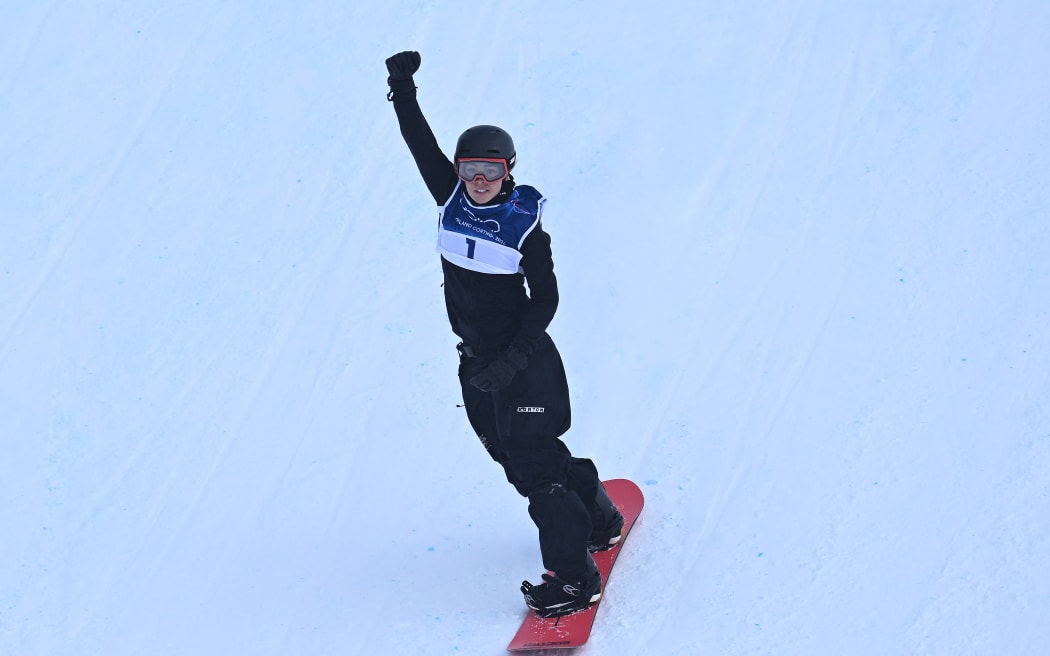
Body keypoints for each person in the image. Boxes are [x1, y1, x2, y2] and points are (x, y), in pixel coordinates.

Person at [385, 50, 624, 618]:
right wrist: (402, 87)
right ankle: (599, 518)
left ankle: (574, 580)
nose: (478, 182)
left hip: (522, 362)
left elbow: (546, 299)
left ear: (509, 171)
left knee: (536, 472)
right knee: (513, 457)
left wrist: (513, 360)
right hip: (476, 361)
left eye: (490, 172)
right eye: (469, 171)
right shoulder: (451, 198)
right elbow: (420, 142)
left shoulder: (524, 225)